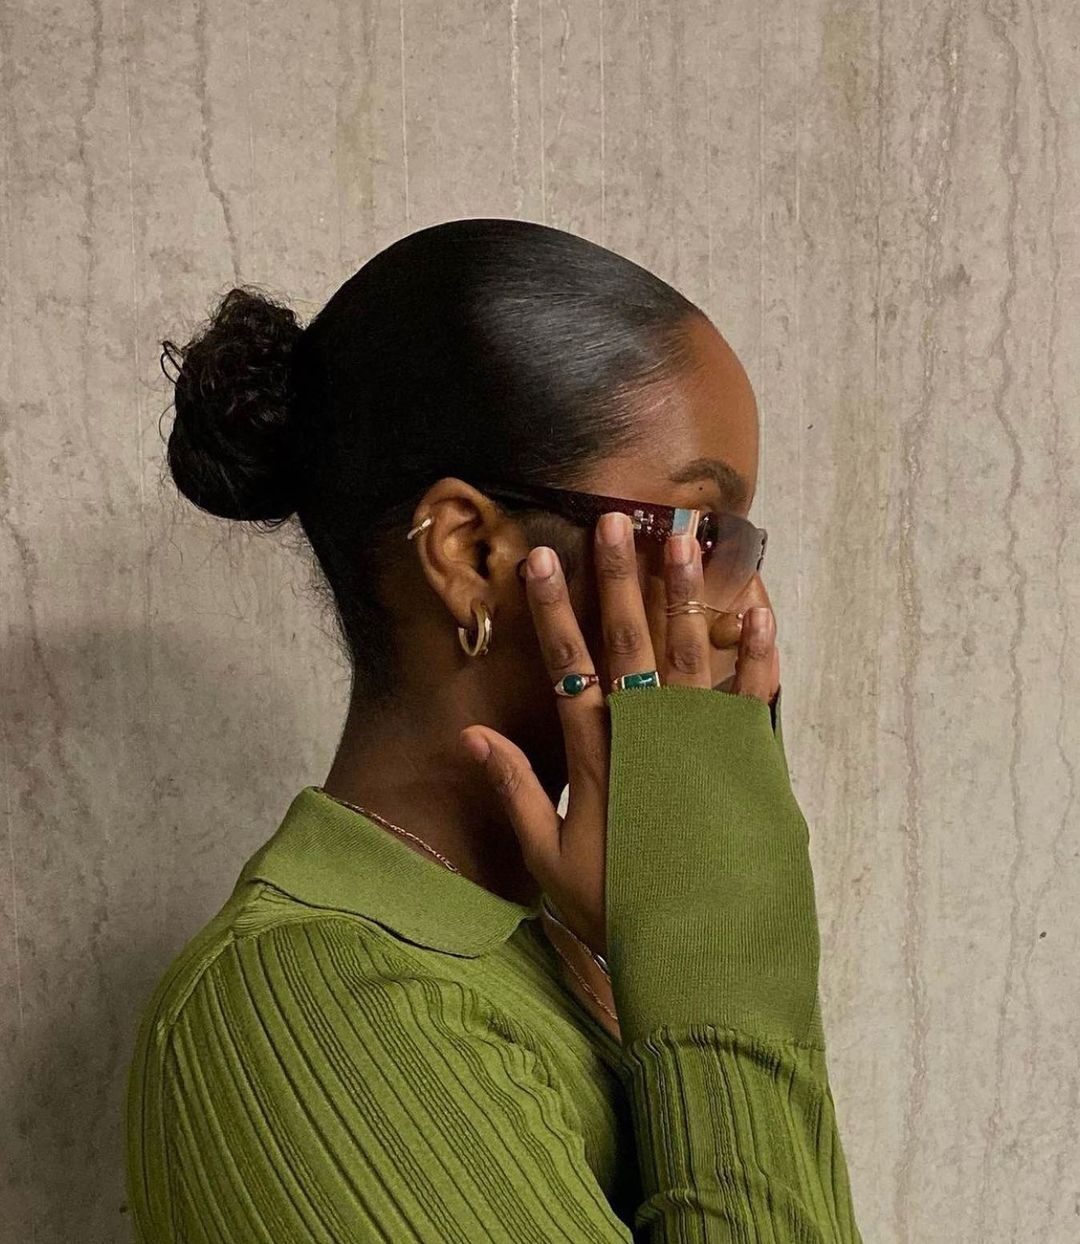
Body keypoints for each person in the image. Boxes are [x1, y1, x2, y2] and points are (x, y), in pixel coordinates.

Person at [125, 217, 863, 1241]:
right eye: (701, 532)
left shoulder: (581, 947)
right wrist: (719, 944)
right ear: (471, 554)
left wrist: (680, 932)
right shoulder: (300, 1000)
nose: (742, 609)